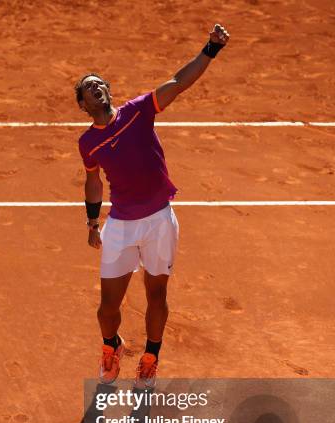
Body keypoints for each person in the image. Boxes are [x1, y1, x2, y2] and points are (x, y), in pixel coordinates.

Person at [76, 24, 230, 388]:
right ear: (83, 105)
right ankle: (111, 344)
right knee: (107, 308)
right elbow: (93, 180)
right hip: (121, 226)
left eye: (99, 83)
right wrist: (91, 222)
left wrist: (210, 48)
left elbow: (179, 81)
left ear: (108, 91)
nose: (95, 87)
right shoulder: (87, 144)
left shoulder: (138, 110)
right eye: (87, 88)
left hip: (160, 220)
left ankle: (151, 356)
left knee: (156, 294)